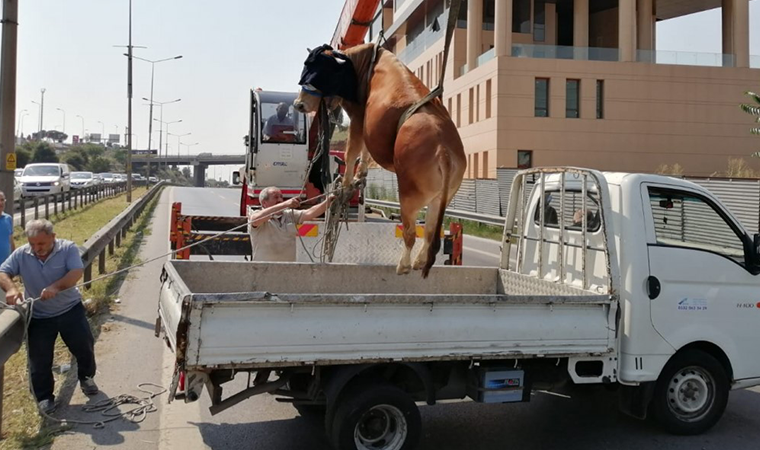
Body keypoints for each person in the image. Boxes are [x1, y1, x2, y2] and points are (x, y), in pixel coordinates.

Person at [0, 219, 98, 414]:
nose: (37, 248)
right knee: (39, 360)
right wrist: (11, 288)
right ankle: (44, 397)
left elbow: (76, 271)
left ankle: (86, 377)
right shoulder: (21, 254)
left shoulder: (67, 248)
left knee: (84, 346)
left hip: (70, 310)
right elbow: (3, 271)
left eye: (42, 244)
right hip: (39, 317)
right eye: (33, 244)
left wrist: (56, 287)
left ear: (53, 237)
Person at [248, 187, 334, 262]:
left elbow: (309, 213)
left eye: (281, 197)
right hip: (262, 271)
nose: (280, 200)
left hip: (288, 270)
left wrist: (328, 201)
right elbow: (255, 220)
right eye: (275, 197)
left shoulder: (290, 215)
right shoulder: (257, 215)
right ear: (264, 203)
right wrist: (285, 204)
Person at [0, 191, 15, 262]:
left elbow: (11, 241)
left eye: (2, 200)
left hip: (6, 265)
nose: (0, 203)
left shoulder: (8, 218)